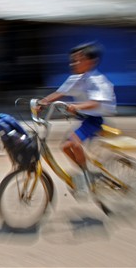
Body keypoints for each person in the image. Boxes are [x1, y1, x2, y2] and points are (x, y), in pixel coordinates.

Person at [38, 42, 116, 197]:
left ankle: (87, 177)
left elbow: (96, 102)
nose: (73, 63)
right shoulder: (76, 79)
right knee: (65, 147)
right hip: (84, 120)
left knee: (74, 143)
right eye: (72, 60)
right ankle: (85, 172)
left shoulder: (96, 80)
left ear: (90, 62)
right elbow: (60, 93)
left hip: (94, 120)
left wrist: (76, 106)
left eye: (78, 60)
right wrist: (43, 102)